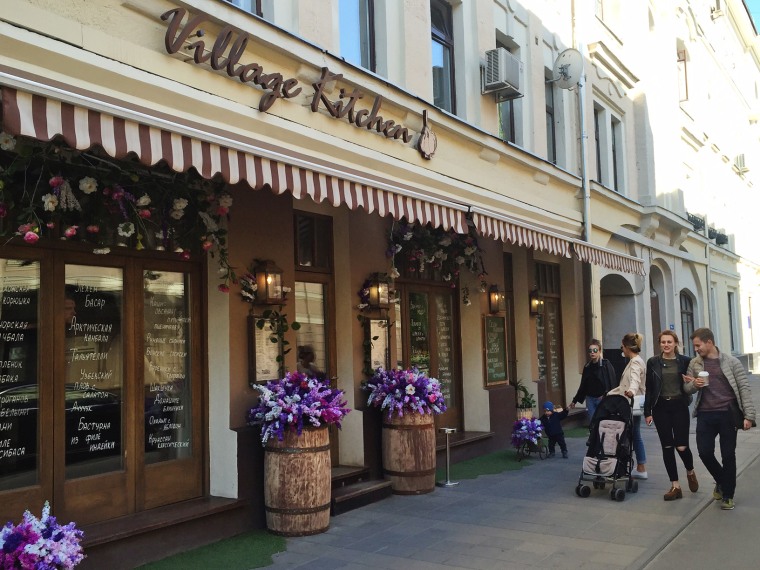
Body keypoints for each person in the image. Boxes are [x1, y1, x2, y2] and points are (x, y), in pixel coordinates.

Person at [683, 327, 756, 510]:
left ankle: (728, 496)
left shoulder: (731, 362)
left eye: (698, 345)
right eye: (695, 346)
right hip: (705, 414)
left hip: (727, 414)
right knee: (704, 452)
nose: (696, 349)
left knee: (728, 455)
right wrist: (694, 385)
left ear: (709, 342)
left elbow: (743, 388)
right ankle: (722, 481)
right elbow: (687, 389)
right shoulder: (695, 363)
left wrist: (749, 416)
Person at [644, 330, 698, 501]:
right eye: (663, 342)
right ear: (659, 344)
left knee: (681, 446)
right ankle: (675, 486)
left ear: (676, 343)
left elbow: (693, 381)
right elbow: (649, 389)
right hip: (661, 407)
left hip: (679, 406)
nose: (666, 345)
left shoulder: (685, 361)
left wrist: (691, 381)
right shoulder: (653, 362)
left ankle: (690, 471)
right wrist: (647, 411)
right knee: (667, 446)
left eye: (669, 342)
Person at [608, 333, 647, 479]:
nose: (621, 350)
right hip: (631, 402)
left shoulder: (635, 362)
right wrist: (610, 394)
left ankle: (641, 467)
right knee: (634, 434)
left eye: (622, 347)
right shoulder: (635, 361)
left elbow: (635, 380)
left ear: (627, 347)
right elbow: (622, 386)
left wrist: (631, 391)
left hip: (631, 404)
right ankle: (640, 466)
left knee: (634, 434)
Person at [570, 339, 617, 423]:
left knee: (602, 422)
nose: (592, 352)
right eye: (590, 350)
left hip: (602, 398)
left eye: (595, 350)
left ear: (599, 351)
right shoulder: (587, 366)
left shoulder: (605, 365)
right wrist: (574, 400)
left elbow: (612, 382)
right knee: (593, 423)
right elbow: (583, 385)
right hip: (590, 398)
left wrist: (606, 395)